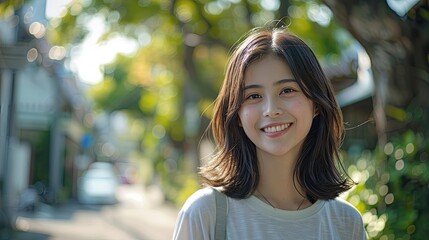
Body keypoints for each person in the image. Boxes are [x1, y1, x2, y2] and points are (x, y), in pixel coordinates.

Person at [172, 24, 367, 239]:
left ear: (316, 104)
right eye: (253, 96)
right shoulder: (206, 213)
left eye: (287, 90)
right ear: (236, 114)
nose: (271, 110)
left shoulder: (346, 223)